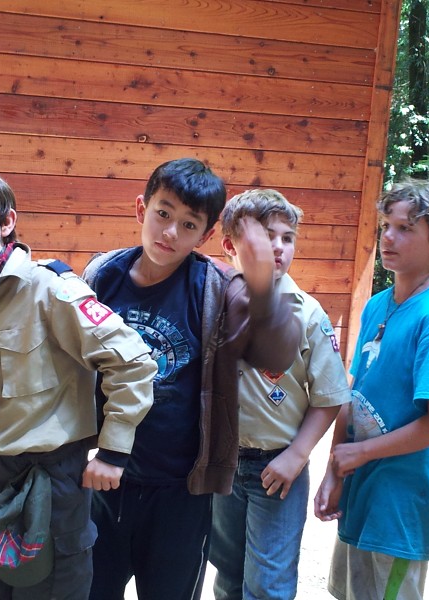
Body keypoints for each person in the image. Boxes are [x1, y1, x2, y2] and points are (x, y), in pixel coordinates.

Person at [0, 164, 157, 600]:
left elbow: (132, 362)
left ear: (7, 222)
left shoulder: (50, 290)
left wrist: (113, 451)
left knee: (49, 590)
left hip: (48, 480)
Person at [82, 159, 301, 600]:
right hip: (105, 476)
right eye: (163, 213)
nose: (170, 233)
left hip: (181, 488)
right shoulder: (103, 275)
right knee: (91, 589)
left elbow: (276, 355)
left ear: (204, 235)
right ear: (141, 208)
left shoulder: (219, 287)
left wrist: (262, 289)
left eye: (188, 225)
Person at [314, 178, 429, 600]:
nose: (387, 237)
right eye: (386, 225)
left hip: (402, 506)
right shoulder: (377, 304)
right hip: (362, 493)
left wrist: (362, 452)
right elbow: (352, 393)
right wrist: (333, 471)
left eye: (405, 229)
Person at [209, 189, 351, 600]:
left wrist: (296, 456)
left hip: (276, 469)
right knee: (227, 572)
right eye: (265, 236)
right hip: (221, 463)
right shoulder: (214, 301)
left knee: (268, 583)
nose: (278, 247)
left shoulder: (306, 312)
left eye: (287, 238)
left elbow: (329, 396)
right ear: (230, 246)